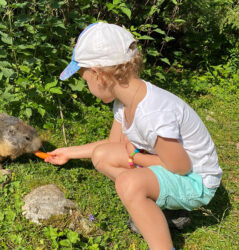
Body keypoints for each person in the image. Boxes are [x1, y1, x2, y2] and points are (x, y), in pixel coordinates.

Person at [44, 22, 222, 250]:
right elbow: (113, 145)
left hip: (196, 181)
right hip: (172, 166)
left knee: (129, 183)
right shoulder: (125, 102)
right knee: (102, 155)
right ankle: (157, 209)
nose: (86, 84)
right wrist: (69, 152)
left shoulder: (152, 114)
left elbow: (181, 167)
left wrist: (137, 158)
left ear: (99, 75)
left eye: (84, 78)